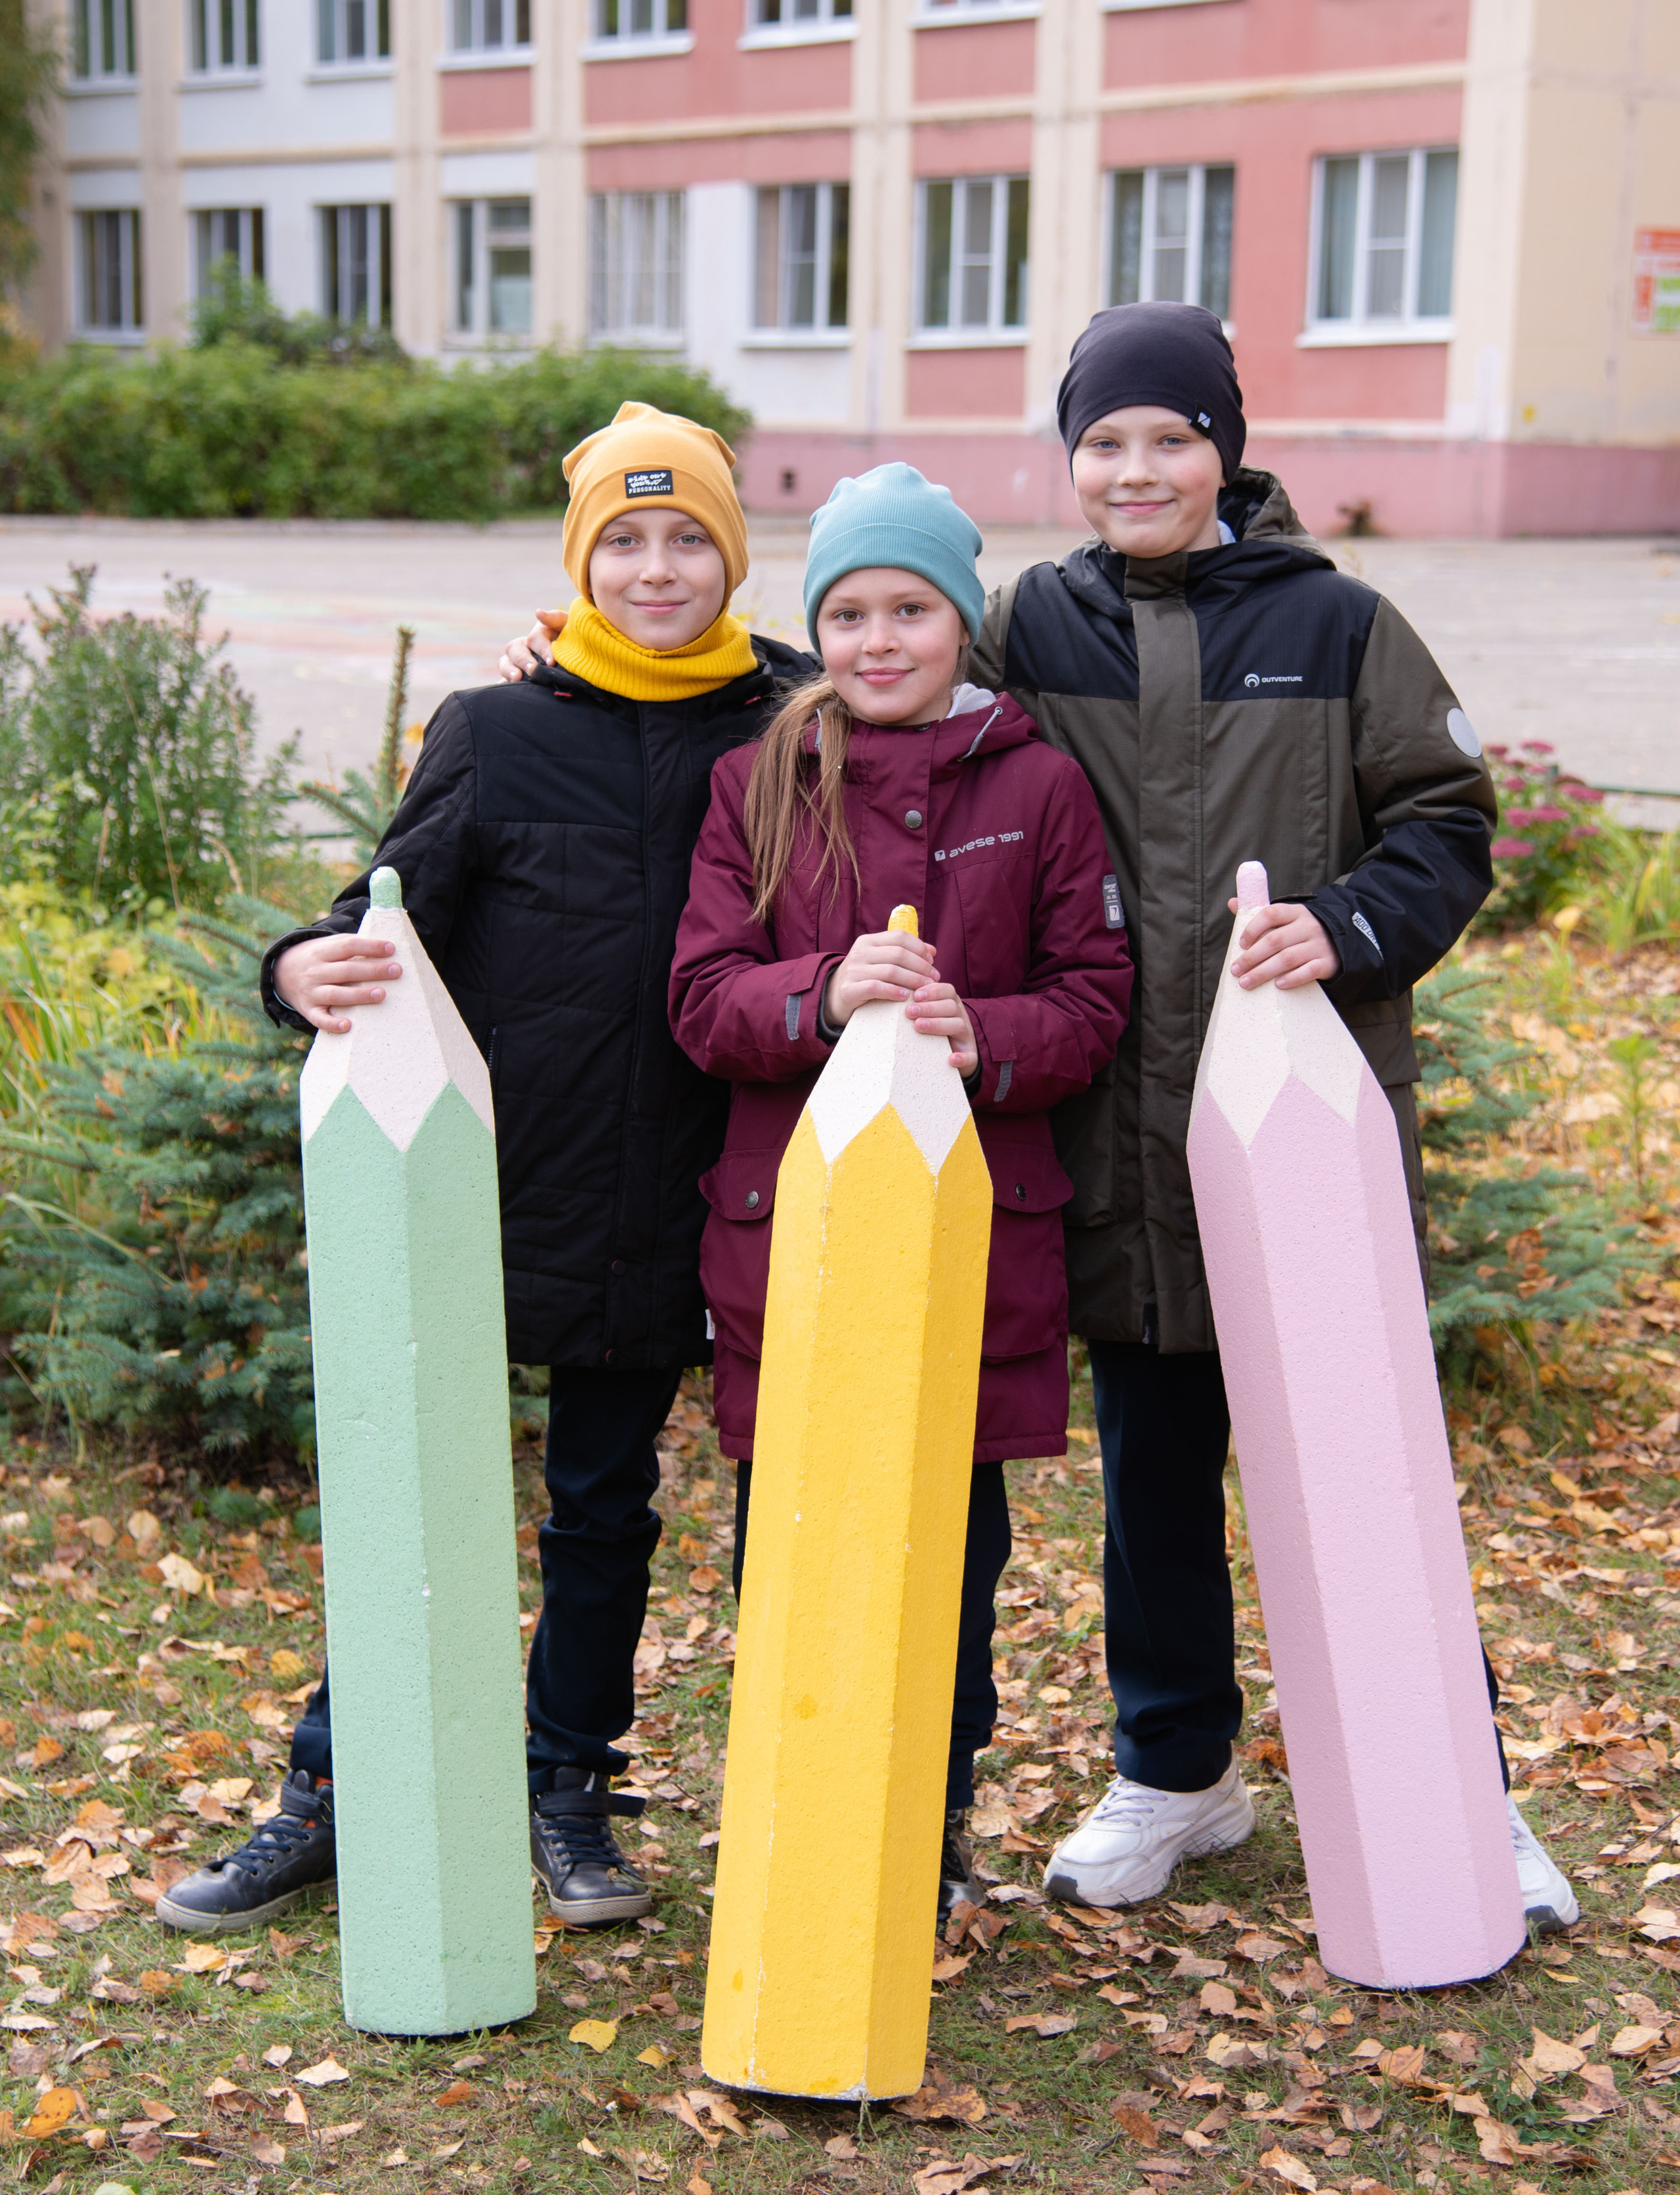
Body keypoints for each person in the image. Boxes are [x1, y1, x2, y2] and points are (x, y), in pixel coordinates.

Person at [157, 402, 816, 1939]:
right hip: (480, 1194)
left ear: (731, 555)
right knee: (413, 1499)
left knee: (605, 1504)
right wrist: (293, 967)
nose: (657, 571)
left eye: (688, 541)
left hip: (669, 1201)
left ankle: (564, 1786)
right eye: (624, 542)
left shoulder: (788, 721)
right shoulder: (498, 724)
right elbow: (378, 910)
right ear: (581, 562)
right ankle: (335, 1788)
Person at [965, 299, 1578, 1931]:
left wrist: (1349, 923)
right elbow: (865, 701)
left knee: (1364, 1471)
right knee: (1154, 1478)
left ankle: (1460, 1784)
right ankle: (1176, 1773)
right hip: (1119, 1139)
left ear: (1224, 451)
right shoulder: (1026, 626)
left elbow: (1445, 825)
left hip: (1304, 1133)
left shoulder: (1339, 627)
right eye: (1102, 442)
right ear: (1069, 461)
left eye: (1170, 437)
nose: (1136, 468)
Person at [665, 463, 1133, 1912]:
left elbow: (1093, 1002)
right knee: (792, 1539)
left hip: (968, 1240)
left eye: (912, 610)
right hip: (790, 1240)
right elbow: (699, 998)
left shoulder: (1038, 781)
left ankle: (926, 1821)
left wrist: (977, 1031)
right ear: (817, 624)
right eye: (850, 611)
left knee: (951, 1546)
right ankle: (797, 1814)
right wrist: (818, 993)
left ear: (959, 619)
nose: (880, 641)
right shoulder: (759, 779)